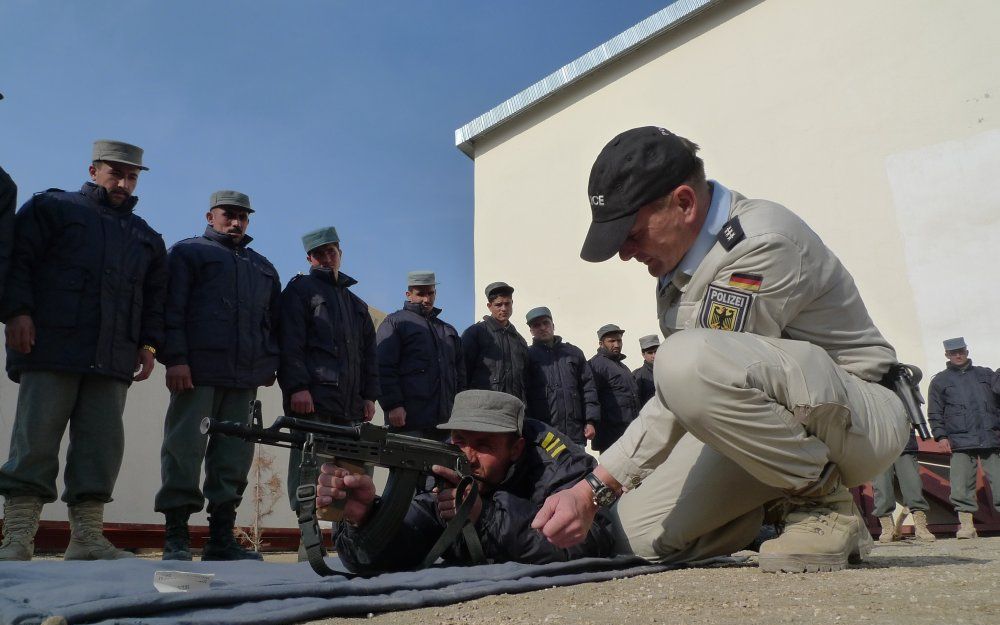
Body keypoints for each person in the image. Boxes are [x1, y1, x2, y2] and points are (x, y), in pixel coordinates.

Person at [531, 126, 908, 574]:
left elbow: (687, 377)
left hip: (858, 417)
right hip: (781, 425)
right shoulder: (678, 268)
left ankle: (824, 506)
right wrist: (602, 495)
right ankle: (772, 513)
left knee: (683, 360)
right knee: (635, 534)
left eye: (631, 235)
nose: (625, 254)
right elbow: (697, 395)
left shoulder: (762, 243)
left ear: (685, 203)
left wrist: (593, 487)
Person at [0, 140, 168, 561]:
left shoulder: (146, 237)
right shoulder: (53, 208)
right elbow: (18, 262)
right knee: (34, 441)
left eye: (131, 176)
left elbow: (154, 300)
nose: (124, 183)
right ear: (93, 171)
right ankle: (18, 535)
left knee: (100, 447)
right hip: (51, 346)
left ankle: (87, 538)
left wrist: (148, 345)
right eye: (116, 173)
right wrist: (17, 312)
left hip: (112, 359)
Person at [317, 390, 616, 574]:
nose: (468, 456)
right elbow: (415, 529)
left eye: (484, 445)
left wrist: (484, 516)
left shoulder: (557, 463)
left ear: (516, 449)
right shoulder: (446, 461)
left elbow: (596, 538)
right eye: (459, 440)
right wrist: (366, 519)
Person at [153, 190, 281, 561]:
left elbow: (273, 324)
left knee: (233, 459)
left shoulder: (263, 267)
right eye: (229, 214)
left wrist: (267, 363)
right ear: (210, 217)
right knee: (183, 451)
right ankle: (176, 538)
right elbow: (170, 310)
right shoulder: (188, 253)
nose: (237, 222)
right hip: (196, 375)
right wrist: (175, 359)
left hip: (243, 381)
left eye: (243, 216)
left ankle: (220, 538)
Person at [277, 226, 378, 516]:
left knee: (350, 477)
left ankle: (346, 542)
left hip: (350, 408)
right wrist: (297, 387)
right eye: (319, 254)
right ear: (310, 258)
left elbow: (369, 356)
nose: (326, 258)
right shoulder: (300, 291)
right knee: (309, 473)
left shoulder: (356, 304)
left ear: (340, 254)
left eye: (330, 252)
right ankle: (305, 544)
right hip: (314, 404)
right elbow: (290, 343)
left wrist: (370, 397)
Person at [376, 271, 465, 440]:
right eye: (421, 294)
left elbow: (460, 377)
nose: (427, 299)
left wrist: (460, 413)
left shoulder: (448, 331)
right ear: (408, 295)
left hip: (446, 425)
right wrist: (393, 405)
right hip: (408, 422)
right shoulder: (395, 322)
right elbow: (383, 367)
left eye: (430, 293)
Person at [928, 337, 1000, 540]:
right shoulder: (940, 381)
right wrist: (940, 436)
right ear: (946, 355)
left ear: (967, 351)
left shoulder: (986, 374)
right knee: (960, 486)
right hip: (959, 440)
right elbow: (935, 412)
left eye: (961, 351)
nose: (958, 355)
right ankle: (967, 526)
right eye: (953, 353)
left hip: (990, 436)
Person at [524, 306, 600, 446]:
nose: (542, 327)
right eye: (536, 325)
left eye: (545, 323)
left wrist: (590, 421)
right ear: (531, 331)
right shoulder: (526, 356)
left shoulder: (574, 353)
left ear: (553, 325)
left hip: (574, 433)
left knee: (578, 468)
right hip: (543, 435)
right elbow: (523, 395)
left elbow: (588, 389)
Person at [462, 282, 528, 400]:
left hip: (514, 408)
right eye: (499, 305)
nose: (504, 308)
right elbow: (462, 372)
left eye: (507, 304)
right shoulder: (475, 333)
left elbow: (527, 379)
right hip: (483, 407)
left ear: (512, 303)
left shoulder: (520, 341)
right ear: (489, 306)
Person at [871, 429, 934, 542]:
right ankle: (887, 528)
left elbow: (914, 413)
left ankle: (920, 527)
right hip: (877, 443)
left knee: (912, 484)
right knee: (881, 486)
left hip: (904, 441)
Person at [588, 324, 640, 452]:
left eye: (619, 340)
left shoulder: (622, 367)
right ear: (601, 343)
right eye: (611, 341)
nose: (616, 345)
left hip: (629, 431)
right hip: (611, 435)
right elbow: (590, 396)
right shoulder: (596, 365)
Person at [632, 334, 660, 407]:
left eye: (656, 351)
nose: (654, 356)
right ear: (643, 355)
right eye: (650, 353)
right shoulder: (638, 375)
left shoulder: (669, 370)